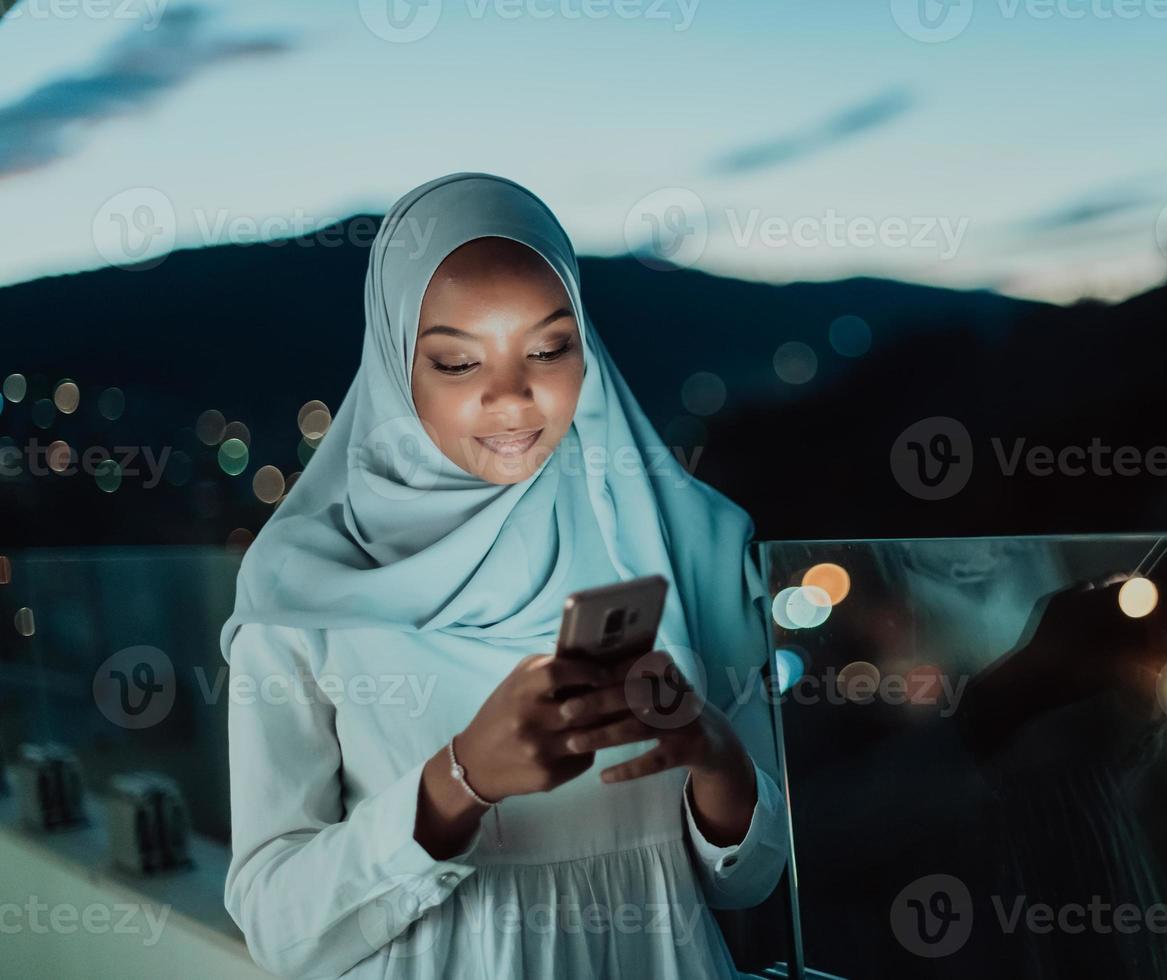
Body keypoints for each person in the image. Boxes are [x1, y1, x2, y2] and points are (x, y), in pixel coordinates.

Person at [218, 172, 790, 979]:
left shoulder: (684, 536)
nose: (512, 398)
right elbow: (279, 928)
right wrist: (461, 780)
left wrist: (712, 755)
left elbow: (753, 879)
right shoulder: (302, 581)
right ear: (393, 365)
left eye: (550, 348)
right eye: (456, 362)